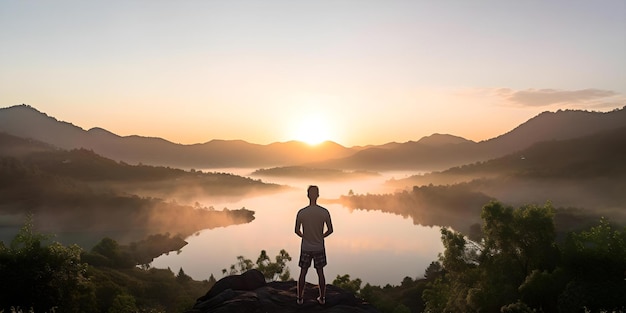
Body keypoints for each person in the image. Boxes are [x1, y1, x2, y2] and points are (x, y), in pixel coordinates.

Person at [294, 185, 333, 305]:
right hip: (319, 247)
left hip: (306, 246)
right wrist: (321, 236)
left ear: (307, 195)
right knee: (320, 272)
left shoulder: (301, 212)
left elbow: (296, 230)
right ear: (318, 195)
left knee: (303, 272)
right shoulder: (324, 212)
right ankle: (322, 298)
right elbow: (330, 230)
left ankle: (300, 298)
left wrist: (304, 236)